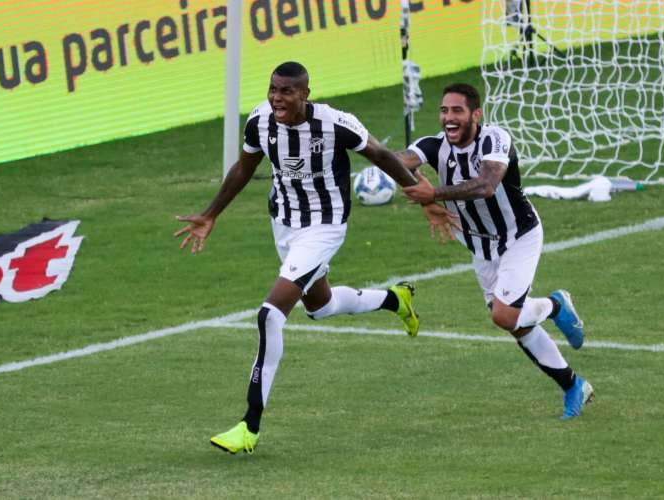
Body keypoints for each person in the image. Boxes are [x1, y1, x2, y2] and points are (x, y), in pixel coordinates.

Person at [175, 61, 421, 454]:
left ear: (305, 93)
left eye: (286, 91)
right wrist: (210, 214)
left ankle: (249, 426)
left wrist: (422, 194)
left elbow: (380, 154)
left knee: (269, 315)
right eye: (273, 89)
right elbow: (244, 168)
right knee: (320, 307)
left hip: (324, 227)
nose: (277, 98)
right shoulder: (260, 121)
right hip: (285, 225)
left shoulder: (335, 123)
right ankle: (396, 299)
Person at [401, 83, 593, 420]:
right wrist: (419, 195)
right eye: (444, 110)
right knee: (515, 324)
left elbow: (487, 186)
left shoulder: (495, 139)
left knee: (504, 315)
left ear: (476, 114)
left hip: (519, 236)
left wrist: (434, 195)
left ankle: (555, 305)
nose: (449, 117)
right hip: (479, 245)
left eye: (457, 110)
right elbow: (398, 162)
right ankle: (573, 385)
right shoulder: (432, 145)